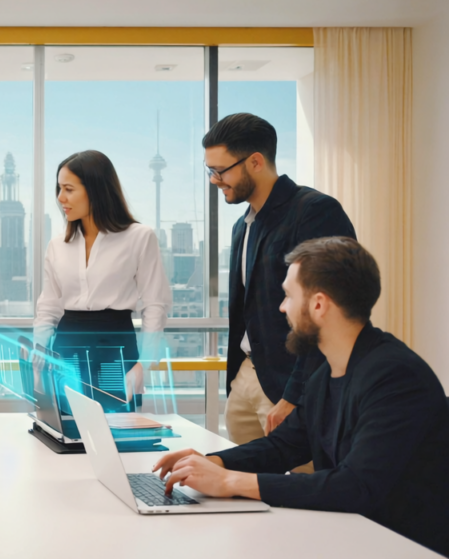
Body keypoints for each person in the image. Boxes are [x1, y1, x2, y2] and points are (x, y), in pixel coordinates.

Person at [153, 237, 449, 557]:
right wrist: (210, 462)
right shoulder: (327, 373)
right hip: (355, 537)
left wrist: (230, 481)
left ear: (318, 305)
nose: (282, 307)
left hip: (404, 546)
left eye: (288, 295)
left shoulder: (395, 376)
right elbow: (284, 445)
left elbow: (356, 486)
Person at [204, 113, 355, 445]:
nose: (214, 180)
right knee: (241, 489)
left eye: (220, 170)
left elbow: (331, 314)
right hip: (245, 378)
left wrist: (296, 395)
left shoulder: (315, 211)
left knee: (303, 493)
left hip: (294, 386)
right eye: (210, 170)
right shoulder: (242, 226)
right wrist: (236, 382)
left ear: (255, 162)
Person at [33, 150, 171, 412]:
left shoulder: (139, 237)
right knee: (65, 431)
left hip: (116, 347)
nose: (60, 198)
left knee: (117, 434)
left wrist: (144, 364)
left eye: (69, 189)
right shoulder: (57, 244)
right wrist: (39, 354)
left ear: (95, 190)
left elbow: (155, 304)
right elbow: (48, 307)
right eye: (59, 189)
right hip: (66, 347)